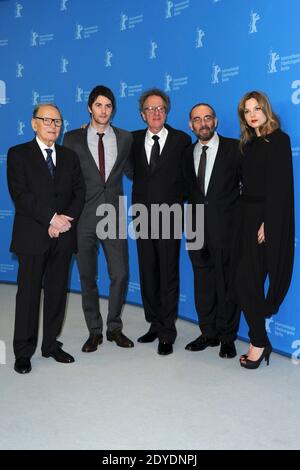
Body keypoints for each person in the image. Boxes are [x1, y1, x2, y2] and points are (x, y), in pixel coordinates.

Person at [7, 104, 85, 374]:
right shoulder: (18, 155)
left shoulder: (69, 157)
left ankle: (51, 345)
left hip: (62, 237)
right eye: (47, 120)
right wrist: (52, 219)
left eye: (58, 122)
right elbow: (21, 196)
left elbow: (79, 193)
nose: (53, 126)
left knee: (56, 293)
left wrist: (62, 222)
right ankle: (23, 351)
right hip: (32, 237)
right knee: (28, 296)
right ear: (33, 124)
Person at [63, 85, 134, 352]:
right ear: (90, 108)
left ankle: (114, 327)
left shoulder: (126, 138)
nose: (103, 110)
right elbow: (66, 178)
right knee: (87, 277)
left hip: (113, 215)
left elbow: (134, 169)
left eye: (108, 106)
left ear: (113, 109)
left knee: (121, 273)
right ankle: (94, 331)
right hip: (83, 218)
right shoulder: (72, 139)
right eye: (98, 105)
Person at [231, 91, 294, 369]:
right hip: (244, 218)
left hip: (265, 219)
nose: (253, 114)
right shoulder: (247, 144)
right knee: (245, 282)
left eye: (257, 108)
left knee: (247, 282)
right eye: (247, 110)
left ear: (266, 109)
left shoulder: (279, 141)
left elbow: (280, 187)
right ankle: (260, 340)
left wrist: (269, 222)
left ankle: (258, 342)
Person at [131, 88, 191, 355]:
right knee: (148, 271)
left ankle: (168, 331)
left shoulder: (181, 139)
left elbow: (190, 177)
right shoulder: (130, 140)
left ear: (166, 112)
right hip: (142, 216)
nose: (155, 113)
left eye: (160, 109)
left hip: (169, 217)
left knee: (168, 273)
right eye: (150, 109)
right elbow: (104, 142)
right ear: (142, 115)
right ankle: (154, 323)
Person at [182, 103, 241, 359]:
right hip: (195, 228)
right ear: (191, 125)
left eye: (207, 118)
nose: (203, 123)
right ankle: (208, 333)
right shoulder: (186, 153)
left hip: (227, 229)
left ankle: (228, 338)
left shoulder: (235, 148)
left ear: (215, 121)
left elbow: (249, 188)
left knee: (227, 284)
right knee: (202, 283)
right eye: (197, 119)